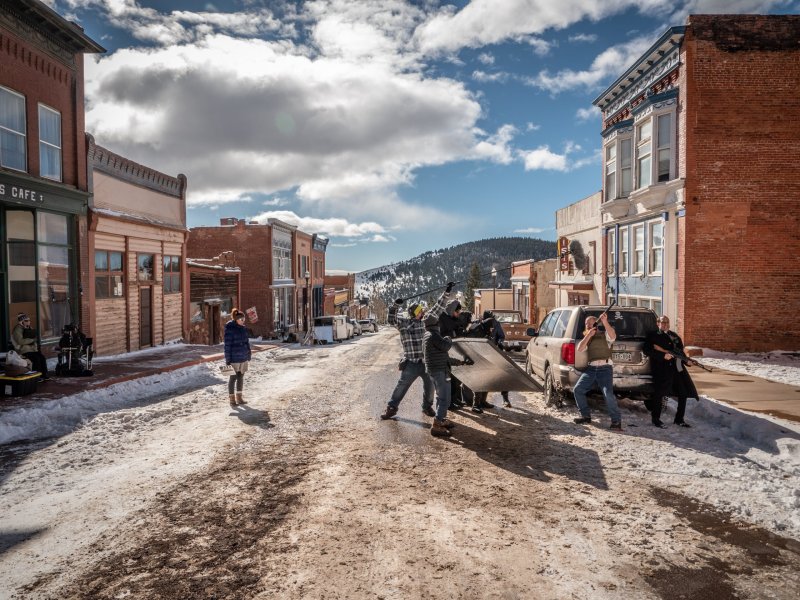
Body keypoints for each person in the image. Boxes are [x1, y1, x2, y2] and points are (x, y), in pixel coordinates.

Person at [380, 283, 453, 420]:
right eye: (420, 310)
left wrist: (447, 292)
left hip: (426, 363)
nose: (423, 312)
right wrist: (395, 305)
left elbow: (438, 308)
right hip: (411, 363)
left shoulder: (425, 321)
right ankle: (391, 408)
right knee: (401, 386)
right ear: (413, 312)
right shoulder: (403, 323)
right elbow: (391, 319)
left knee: (430, 388)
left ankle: (427, 406)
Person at [643, 316, 699, 428]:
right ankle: (656, 419)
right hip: (662, 369)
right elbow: (647, 350)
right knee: (659, 394)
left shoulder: (675, 336)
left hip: (677, 369)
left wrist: (687, 362)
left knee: (683, 393)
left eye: (666, 322)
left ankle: (679, 419)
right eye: (662, 322)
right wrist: (663, 355)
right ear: (657, 323)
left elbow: (680, 353)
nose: (665, 324)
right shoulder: (653, 336)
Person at [572, 312, 622, 430]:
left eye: (591, 323)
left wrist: (605, 322)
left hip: (605, 368)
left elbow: (613, 336)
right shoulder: (588, 336)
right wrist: (589, 335)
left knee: (608, 394)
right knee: (578, 390)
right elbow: (579, 349)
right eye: (586, 324)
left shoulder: (605, 334)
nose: (588, 325)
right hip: (591, 368)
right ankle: (585, 416)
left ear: (596, 323)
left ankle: (616, 421)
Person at [422, 313, 470, 437]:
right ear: (435, 324)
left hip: (435, 370)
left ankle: (441, 419)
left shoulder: (427, 335)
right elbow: (446, 346)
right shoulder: (433, 335)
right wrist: (449, 338)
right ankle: (437, 425)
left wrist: (459, 362)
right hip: (439, 372)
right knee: (445, 399)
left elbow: (443, 356)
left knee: (440, 397)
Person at [439, 299, 467, 410]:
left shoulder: (451, 318)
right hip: (445, 352)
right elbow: (444, 332)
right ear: (452, 310)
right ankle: (449, 403)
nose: (458, 314)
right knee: (448, 380)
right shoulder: (442, 318)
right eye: (457, 312)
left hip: (453, 350)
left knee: (455, 379)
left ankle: (455, 399)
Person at [224, 308, 251, 406]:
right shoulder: (230, 329)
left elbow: (246, 342)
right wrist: (228, 359)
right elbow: (227, 345)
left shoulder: (243, 329)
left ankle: (239, 398)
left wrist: (248, 353)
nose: (243, 321)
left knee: (241, 377)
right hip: (234, 358)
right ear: (236, 319)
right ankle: (232, 400)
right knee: (233, 378)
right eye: (241, 319)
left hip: (243, 357)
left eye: (244, 319)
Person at [11, 313, 49, 381]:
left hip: (32, 350)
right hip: (23, 350)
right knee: (36, 359)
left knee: (42, 358)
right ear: (21, 321)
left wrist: (35, 344)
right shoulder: (18, 329)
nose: (28, 322)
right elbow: (20, 341)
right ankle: (36, 377)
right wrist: (32, 340)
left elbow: (34, 337)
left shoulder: (29, 328)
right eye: (26, 320)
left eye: (29, 320)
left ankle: (44, 375)